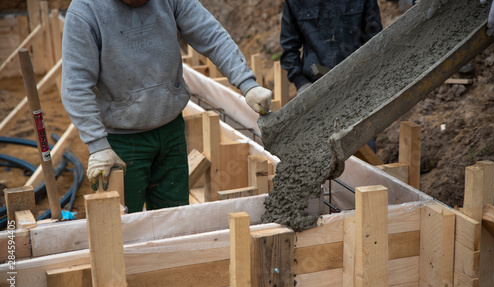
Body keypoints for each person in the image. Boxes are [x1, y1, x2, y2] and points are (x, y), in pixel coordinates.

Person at [61, 0, 272, 213]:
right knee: (121, 226)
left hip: (171, 133)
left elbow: (211, 34)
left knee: (174, 218)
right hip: (121, 142)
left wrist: (247, 83)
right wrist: (98, 145)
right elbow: (76, 85)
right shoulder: (85, 11)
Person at [280, 0, 382, 152]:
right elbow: (289, 47)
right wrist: (302, 84)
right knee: (319, 155)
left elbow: (376, 39)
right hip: (315, 91)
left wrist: (366, 81)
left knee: (363, 155)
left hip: (357, 88)